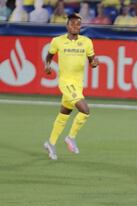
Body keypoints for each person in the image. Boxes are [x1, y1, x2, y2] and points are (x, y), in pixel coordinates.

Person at [43, 13, 99, 160]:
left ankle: (51, 143)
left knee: (64, 114)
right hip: (66, 83)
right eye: (73, 23)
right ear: (67, 25)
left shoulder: (86, 42)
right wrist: (47, 66)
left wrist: (94, 63)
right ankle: (71, 137)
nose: (75, 26)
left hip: (78, 84)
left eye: (78, 24)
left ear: (81, 26)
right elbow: (49, 56)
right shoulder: (57, 41)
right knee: (85, 110)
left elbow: (92, 61)